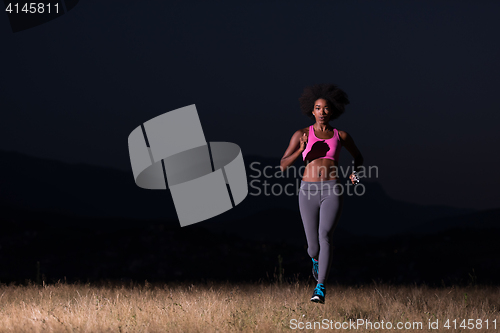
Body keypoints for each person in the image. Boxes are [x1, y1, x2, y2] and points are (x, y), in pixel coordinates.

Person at [280, 83, 363, 303]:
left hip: (332, 189)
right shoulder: (301, 133)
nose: (322, 112)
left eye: (326, 108)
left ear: (333, 111)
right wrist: (300, 148)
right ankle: (315, 260)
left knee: (325, 236)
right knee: (312, 246)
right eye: (318, 108)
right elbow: (282, 165)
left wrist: (355, 173)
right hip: (307, 191)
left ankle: (320, 287)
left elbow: (359, 157)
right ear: (312, 110)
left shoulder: (341, 135)